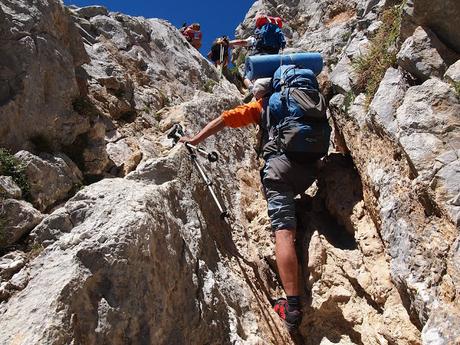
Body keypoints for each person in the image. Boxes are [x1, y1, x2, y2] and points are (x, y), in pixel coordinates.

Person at [179, 75, 328, 332]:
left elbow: (224, 119)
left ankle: (292, 308)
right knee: (291, 206)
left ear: (261, 94)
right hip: (312, 169)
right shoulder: (309, 99)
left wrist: (194, 140)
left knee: (283, 232)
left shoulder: (262, 106)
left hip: (280, 171)